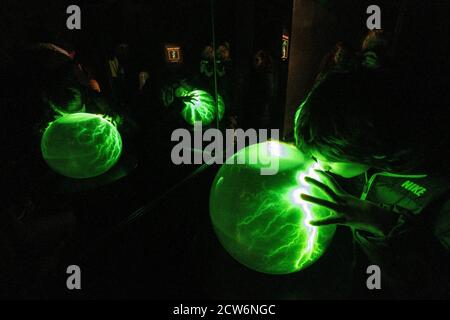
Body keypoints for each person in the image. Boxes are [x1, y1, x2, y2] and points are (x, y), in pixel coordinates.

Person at [294, 70, 449, 298]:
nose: (319, 167)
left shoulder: (440, 191)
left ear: (364, 148)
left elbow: (434, 281)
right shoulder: (370, 163)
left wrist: (380, 223)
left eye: (326, 161)